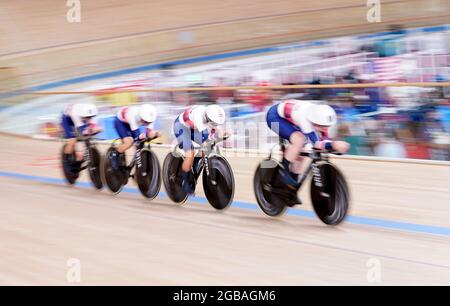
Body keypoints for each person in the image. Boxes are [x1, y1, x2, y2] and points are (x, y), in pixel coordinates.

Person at [266, 100, 350, 204]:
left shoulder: (320, 119)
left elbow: (324, 140)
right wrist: (334, 145)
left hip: (291, 118)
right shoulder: (305, 118)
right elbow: (317, 144)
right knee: (299, 140)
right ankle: (283, 171)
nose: (325, 129)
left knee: (302, 152)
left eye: (327, 126)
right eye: (321, 126)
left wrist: (335, 147)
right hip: (275, 117)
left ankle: (290, 188)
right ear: (313, 121)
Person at [173, 104, 227, 194]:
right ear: (207, 118)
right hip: (181, 127)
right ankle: (185, 181)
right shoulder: (199, 117)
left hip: (194, 128)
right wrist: (217, 138)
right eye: (214, 123)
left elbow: (216, 130)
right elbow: (209, 139)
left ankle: (195, 163)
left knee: (207, 148)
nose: (215, 125)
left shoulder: (210, 116)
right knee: (190, 154)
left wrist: (223, 134)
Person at [111, 104, 160, 169]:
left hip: (131, 122)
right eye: (145, 121)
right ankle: (114, 155)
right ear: (140, 116)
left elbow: (149, 132)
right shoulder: (133, 115)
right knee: (129, 142)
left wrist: (155, 134)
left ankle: (135, 164)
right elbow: (137, 137)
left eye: (148, 122)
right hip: (120, 122)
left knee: (140, 144)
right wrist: (143, 137)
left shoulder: (150, 118)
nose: (147, 124)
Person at [61, 103, 102, 169]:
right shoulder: (76, 115)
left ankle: (85, 153)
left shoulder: (89, 113)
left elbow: (96, 126)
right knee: (73, 139)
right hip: (68, 119)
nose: (90, 118)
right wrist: (91, 131)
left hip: (80, 116)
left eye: (91, 117)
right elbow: (82, 131)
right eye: (88, 117)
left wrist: (96, 129)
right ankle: (67, 160)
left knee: (88, 134)